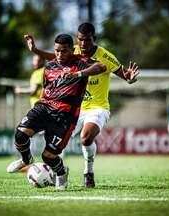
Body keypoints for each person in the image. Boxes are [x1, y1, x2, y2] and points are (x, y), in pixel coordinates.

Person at [23, 22, 140, 188]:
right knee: (56, 144)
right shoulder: (74, 50)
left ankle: (88, 172)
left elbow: (125, 75)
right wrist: (35, 51)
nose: (82, 44)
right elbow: (55, 57)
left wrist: (129, 77)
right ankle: (58, 175)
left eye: (86, 40)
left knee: (85, 138)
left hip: (97, 107)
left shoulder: (105, 56)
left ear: (94, 38)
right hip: (75, 108)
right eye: (80, 40)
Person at [6, 34, 106, 190]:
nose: (60, 55)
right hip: (44, 107)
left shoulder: (80, 62)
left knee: (48, 156)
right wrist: (38, 106)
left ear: (72, 50)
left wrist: (78, 74)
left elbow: (102, 66)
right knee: (20, 135)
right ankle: (26, 159)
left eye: (64, 51)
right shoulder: (49, 66)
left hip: (65, 116)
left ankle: (61, 173)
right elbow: (46, 90)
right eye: (57, 51)